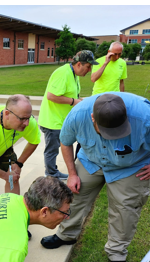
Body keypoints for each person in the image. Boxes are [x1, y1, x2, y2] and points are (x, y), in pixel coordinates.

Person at [39, 92, 150, 262]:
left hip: (131, 166)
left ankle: (117, 253)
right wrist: (72, 173)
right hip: (91, 160)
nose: (113, 137)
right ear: (93, 119)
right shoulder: (77, 114)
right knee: (73, 196)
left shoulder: (145, 116)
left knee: (125, 209)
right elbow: (65, 142)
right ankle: (66, 234)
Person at [38, 50, 98, 180]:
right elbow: (51, 96)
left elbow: (71, 95)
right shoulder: (63, 73)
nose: (89, 71)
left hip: (61, 120)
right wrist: (73, 102)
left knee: (62, 146)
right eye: (88, 67)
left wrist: (80, 100)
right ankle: (50, 174)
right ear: (78, 65)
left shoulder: (73, 74)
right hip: (52, 121)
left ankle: (54, 172)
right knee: (52, 150)